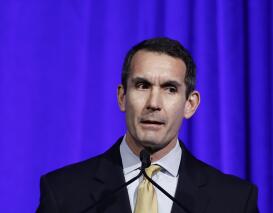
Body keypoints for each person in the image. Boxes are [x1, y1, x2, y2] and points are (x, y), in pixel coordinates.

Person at [37, 37, 259, 213]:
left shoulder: (234, 201)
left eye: (170, 89)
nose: (154, 103)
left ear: (190, 104)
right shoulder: (64, 193)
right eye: (142, 85)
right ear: (122, 97)